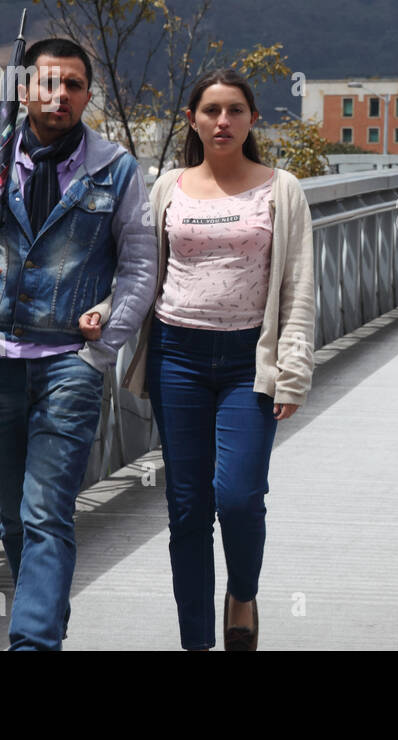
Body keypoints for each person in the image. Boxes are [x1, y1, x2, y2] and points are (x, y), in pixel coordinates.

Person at [0, 37, 157, 650]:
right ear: (24, 88)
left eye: (74, 85)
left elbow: (139, 267)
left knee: (46, 512)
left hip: (69, 364)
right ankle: (44, 621)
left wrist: (101, 348)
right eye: (47, 83)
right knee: (14, 519)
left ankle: (31, 644)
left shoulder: (117, 169)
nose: (59, 96)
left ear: (88, 94)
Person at [85, 67, 316, 652]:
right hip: (176, 357)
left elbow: (298, 286)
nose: (223, 121)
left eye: (235, 110)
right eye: (211, 110)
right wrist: (106, 310)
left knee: (238, 496)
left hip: (248, 361)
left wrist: (292, 370)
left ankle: (242, 593)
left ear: (252, 120)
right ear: (192, 119)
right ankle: (196, 641)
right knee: (187, 508)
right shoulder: (166, 187)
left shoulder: (282, 189)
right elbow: (140, 268)